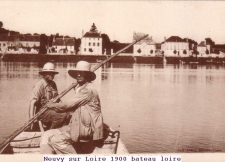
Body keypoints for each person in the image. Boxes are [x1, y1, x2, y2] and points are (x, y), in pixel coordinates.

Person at [40, 60, 104, 154]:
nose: (78, 75)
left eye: (82, 73)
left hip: (86, 130)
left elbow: (66, 105)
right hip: (76, 126)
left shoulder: (87, 90)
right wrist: (77, 87)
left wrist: (51, 105)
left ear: (88, 75)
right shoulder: (81, 88)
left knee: (56, 140)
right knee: (46, 135)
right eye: (77, 73)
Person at [29, 62, 69, 130]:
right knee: (62, 116)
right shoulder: (39, 85)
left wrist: (66, 107)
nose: (52, 75)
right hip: (42, 113)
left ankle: (56, 130)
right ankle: (51, 133)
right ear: (44, 74)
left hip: (53, 110)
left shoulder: (53, 84)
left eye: (53, 73)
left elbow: (58, 100)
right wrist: (31, 120)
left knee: (68, 114)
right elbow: (32, 103)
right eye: (49, 73)